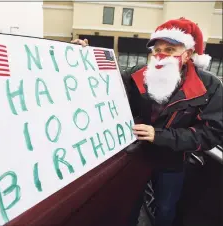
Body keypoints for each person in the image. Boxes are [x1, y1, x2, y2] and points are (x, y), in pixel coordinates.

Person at [71, 17, 223, 226]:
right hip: (136, 157)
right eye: (157, 49)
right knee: (129, 204)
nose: (161, 55)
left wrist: (158, 135)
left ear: (187, 54)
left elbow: (211, 132)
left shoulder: (210, 86)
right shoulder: (138, 74)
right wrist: (81, 58)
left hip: (172, 162)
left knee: (165, 209)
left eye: (170, 50)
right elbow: (103, 83)